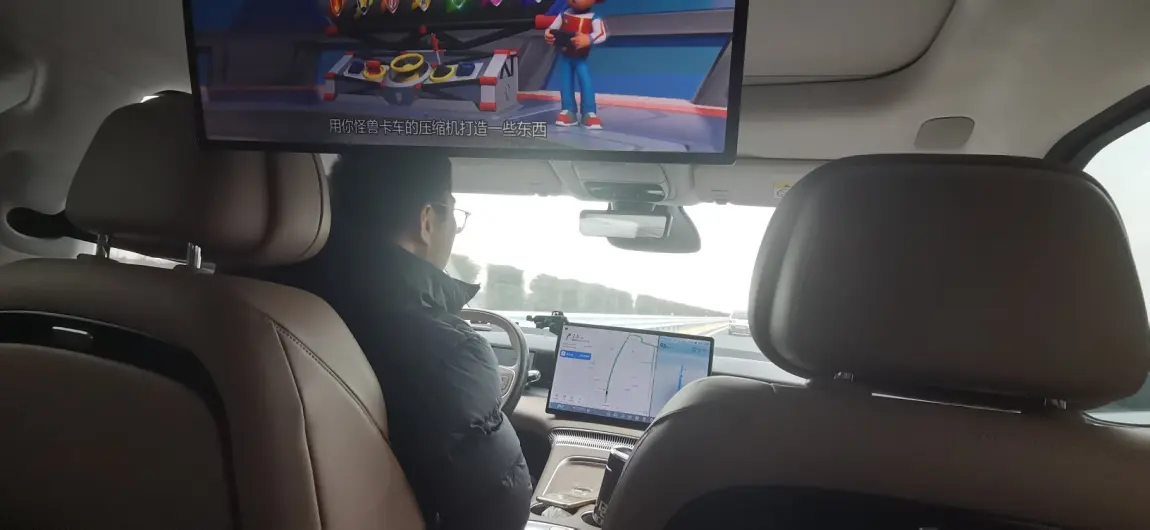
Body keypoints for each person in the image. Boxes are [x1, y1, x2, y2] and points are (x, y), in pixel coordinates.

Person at [233, 154, 532, 529]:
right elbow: (498, 515)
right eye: (454, 213)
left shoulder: (222, 308)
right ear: (427, 221)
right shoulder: (449, 354)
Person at [545, 0, 608, 129]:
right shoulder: (564, 15)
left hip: (581, 57)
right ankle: (568, 110)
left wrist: (588, 38)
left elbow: (601, 33)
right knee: (565, 83)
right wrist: (549, 34)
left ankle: (588, 112)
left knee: (585, 82)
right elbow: (552, 29)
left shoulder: (593, 18)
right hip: (565, 56)